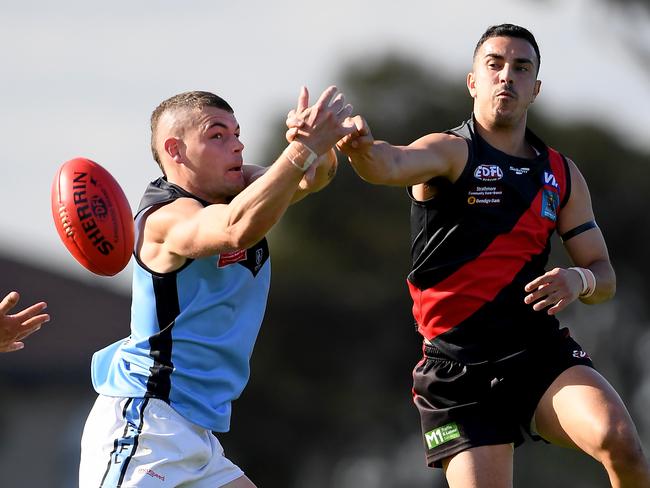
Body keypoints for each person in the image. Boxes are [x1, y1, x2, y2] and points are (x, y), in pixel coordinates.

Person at [335, 23, 650, 488]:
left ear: (535, 88)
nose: (507, 76)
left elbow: (604, 277)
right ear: (473, 81)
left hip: (535, 352)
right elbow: (388, 163)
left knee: (620, 442)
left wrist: (578, 281)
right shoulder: (449, 151)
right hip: (455, 370)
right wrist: (361, 149)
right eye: (495, 64)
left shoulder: (561, 173)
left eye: (521, 68)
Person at [79, 86, 354, 487]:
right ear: (175, 150)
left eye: (237, 133)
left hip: (194, 433)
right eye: (217, 135)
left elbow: (314, 177)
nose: (238, 146)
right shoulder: (165, 218)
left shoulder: (241, 189)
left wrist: (315, 144)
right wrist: (300, 152)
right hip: (145, 425)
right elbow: (235, 229)